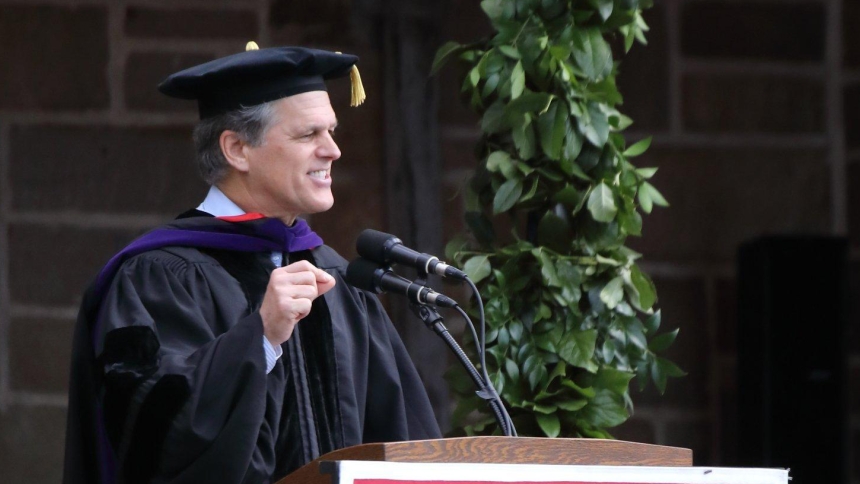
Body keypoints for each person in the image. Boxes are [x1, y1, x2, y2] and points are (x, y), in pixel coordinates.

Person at [63, 44, 441, 484]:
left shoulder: (338, 278)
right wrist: (259, 339)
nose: (333, 150)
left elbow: (403, 440)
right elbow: (147, 434)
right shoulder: (159, 277)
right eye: (308, 135)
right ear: (237, 149)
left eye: (332, 131)